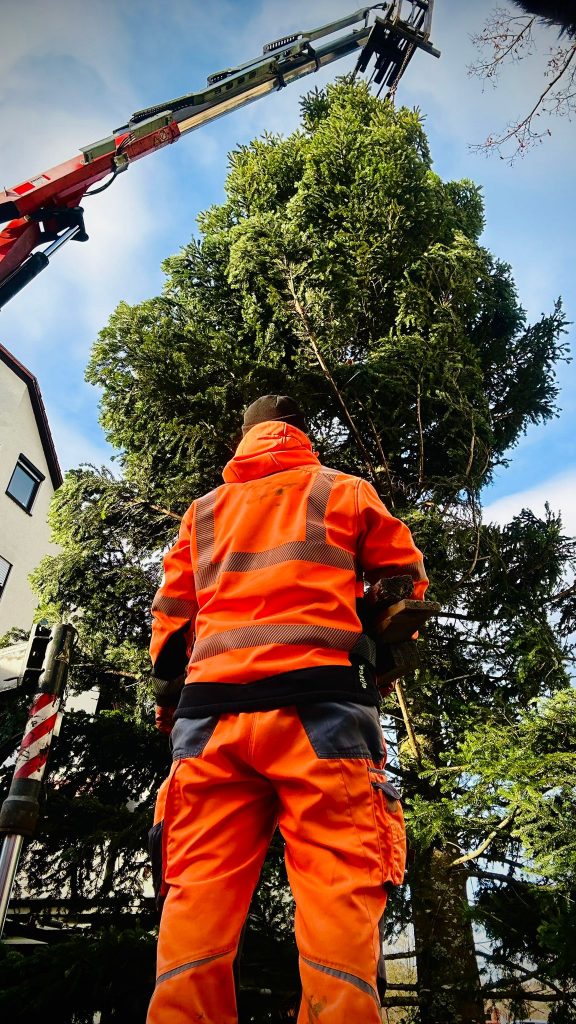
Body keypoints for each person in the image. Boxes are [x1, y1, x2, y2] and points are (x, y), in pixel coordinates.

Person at [146, 394, 428, 1024]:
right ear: (299, 436)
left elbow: (170, 620)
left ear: (242, 445)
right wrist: (382, 651)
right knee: (338, 894)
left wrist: (171, 704)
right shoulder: (343, 490)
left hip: (211, 719)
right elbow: (403, 585)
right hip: (323, 711)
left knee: (197, 900)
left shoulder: (205, 512)